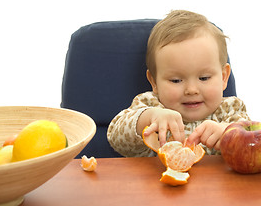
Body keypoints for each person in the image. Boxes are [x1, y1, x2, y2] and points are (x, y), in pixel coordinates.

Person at [107, 10, 250, 157]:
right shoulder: (150, 105)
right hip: (159, 179)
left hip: (217, 181)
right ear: (154, 82)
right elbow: (116, 138)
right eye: (176, 80)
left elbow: (251, 146)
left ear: (223, 77)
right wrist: (148, 118)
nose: (191, 90)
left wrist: (228, 134)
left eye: (204, 78)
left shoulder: (230, 110)